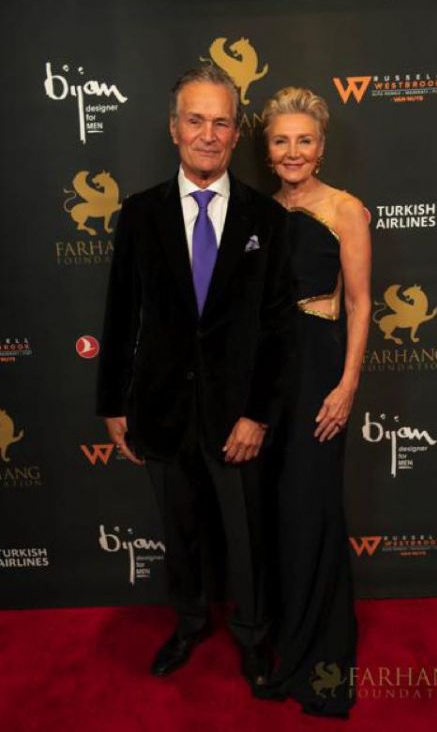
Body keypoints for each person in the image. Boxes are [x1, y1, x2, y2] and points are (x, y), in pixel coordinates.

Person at [96, 64, 294, 694]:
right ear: (173, 128)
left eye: (221, 122)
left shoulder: (267, 217)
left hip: (238, 416)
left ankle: (254, 637)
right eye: (195, 120)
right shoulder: (139, 214)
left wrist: (257, 413)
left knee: (246, 534)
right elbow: (121, 313)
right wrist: (113, 402)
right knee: (179, 532)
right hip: (161, 408)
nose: (208, 134)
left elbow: (278, 327)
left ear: (236, 134)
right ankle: (187, 624)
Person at [260, 87, 371, 717]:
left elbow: (359, 302)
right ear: (267, 149)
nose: (293, 151)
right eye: (281, 140)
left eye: (304, 139)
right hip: (268, 372)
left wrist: (347, 384)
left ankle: (317, 655)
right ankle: (285, 640)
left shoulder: (345, 208)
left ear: (321, 146)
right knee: (278, 511)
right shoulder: (260, 212)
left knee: (312, 506)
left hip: (319, 366)